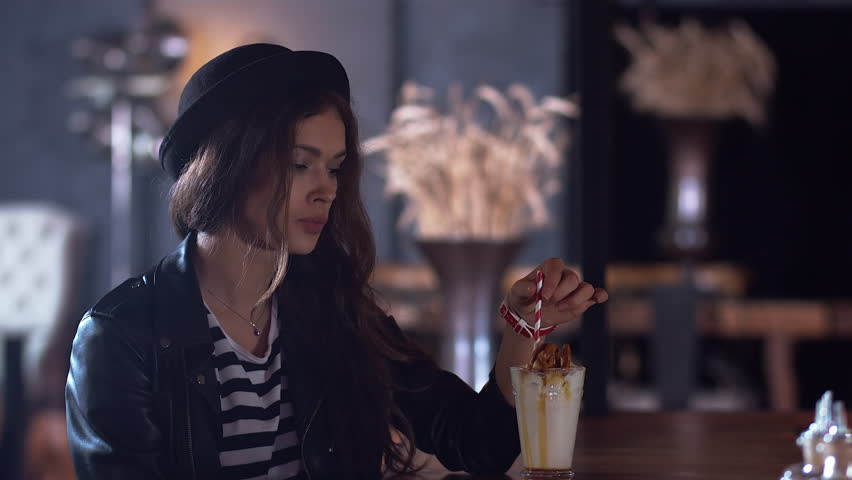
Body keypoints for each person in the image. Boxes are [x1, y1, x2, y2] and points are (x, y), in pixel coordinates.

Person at [65, 43, 608, 480]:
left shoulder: (330, 307)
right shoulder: (122, 336)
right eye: (301, 164)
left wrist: (521, 329)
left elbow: (477, 443)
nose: (326, 189)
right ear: (225, 167)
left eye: (335, 167)